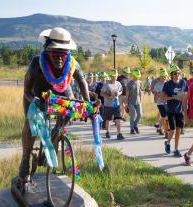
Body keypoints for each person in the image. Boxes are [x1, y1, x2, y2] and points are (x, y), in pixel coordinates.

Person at [18, 27, 90, 188]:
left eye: (63, 54)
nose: (59, 57)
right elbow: (26, 90)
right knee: (31, 124)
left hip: (61, 88)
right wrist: (36, 102)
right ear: (47, 51)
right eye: (55, 53)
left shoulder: (72, 64)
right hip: (35, 93)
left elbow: (82, 81)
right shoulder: (36, 64)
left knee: (69, 109)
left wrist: (88, 103)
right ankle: (25, 160)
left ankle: (54, 135)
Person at [162, 65, 188, 157]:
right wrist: (174, 97)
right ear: (171, 75)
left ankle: (176, 149)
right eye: (175, 74)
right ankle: (168, 143)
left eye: (178, 73)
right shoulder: (167, 84)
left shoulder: (183, 83)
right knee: (172, 130)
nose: (177, 75)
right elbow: (163, 97)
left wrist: (183, 97)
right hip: (170, 110)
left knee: (178, 130)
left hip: (180, 110)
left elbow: (186, 94)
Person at [101, 69, 124, 140]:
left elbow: (121, 91)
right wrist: (109, 97)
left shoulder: (118, 83)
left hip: (116, 105)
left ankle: (119, 133)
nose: (114, 77)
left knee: (118, 119)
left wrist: (118, 93)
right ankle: (107, 132)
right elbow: (101, 93)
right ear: (110, 76)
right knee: (108, 120)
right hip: (108, 105)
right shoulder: (106, 84)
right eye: (113, 76)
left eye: (116, 76)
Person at [153, 69, 169, 138]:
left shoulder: (168, 84)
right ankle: (166, 132)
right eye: (162, 76)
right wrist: (162, 95)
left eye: (165, 76)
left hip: (167, 103)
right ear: (160, 77)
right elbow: (157, 94)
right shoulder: (157, 85)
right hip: (160, 103)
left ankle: (159, 127)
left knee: (165, 117)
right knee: (165, 117)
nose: (164, 78)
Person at [125, 69, 143, 134]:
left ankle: (135, 125)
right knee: (132, 115)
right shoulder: (129, 84)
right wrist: (126, 104)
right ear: (133, 75)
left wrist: (141, 101)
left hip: (138, 101)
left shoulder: (140, 82)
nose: (138, 77)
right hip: (131, 102)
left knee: (140, 114)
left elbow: (140, 92)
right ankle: (132, 129)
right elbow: (127, 94)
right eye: (136, 76)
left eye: (138, 76)